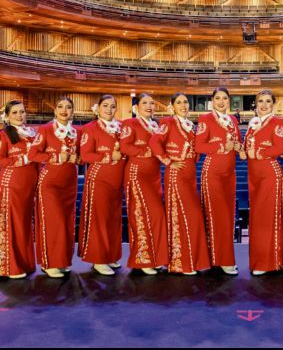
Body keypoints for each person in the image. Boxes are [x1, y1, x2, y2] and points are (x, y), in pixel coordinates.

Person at [149, 93, 211, 275]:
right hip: (176, 174)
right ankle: (181, 263)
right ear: (172, 106)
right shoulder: (168, 122)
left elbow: (197, 150)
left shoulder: (192, 126)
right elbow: (154, 142)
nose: (183, 105)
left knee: (191, 218)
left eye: (185, 102)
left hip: (190, 175)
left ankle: (191, 260)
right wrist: (168, 161)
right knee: (183, 217)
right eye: (179, 102)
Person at [29, 97, 80, 278]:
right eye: (60, 107)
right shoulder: (45, 130)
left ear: (73, 111)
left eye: (68, 107)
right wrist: (57, 157)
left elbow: (81, 156)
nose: (64, 110)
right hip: (50, 181)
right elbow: (33, 153)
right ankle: (49, 262)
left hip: (70, 182)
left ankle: (62, 261)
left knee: (66, 223)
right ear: (55, 111)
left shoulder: (76, 132)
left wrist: (78, 159)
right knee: (53, 222)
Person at [0, 100, 39, 279]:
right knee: (13, 223)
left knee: (25, 225)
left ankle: (25, 263)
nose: (20, 115)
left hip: (29, 185)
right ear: (7, 116)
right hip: (12, 185)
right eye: (15, 112)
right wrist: (22, 160)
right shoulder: (1, 135)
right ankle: (11, 267)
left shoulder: (32, 133)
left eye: (22, 112)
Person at [119, 92, 168, 275]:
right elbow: (125, 146)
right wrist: (148, 150)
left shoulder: (156, 126)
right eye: (145, 102)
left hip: (154, 176)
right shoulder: (130, 123)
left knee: (156, 217)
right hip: (136, 174)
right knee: (140, 216)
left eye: (152, 103)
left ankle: (156, 257)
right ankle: (143, 259)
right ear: (136, 107)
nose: (149, 106)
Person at [196, 87, 243, 275]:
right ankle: (221, 259)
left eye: (225, 98)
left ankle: (222, 257)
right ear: (212, 101)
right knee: (216, 216)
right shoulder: (205, 119)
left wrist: (239, 147)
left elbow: (237, 142)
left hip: (229, 174)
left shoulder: (232, 120)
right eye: (217, 98)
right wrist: (223, 145)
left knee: (228, 215)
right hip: (213, 172)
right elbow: (199, 145)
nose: (221, 101)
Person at [78, 95, 126, 276]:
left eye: (112, 106)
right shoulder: (90, 128)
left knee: (113, 219)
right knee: (99, 219)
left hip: (117, 180)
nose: (109, 109)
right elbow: (85, 155)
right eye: (105, 106)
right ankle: (98, 259)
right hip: (100, 179)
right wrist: (108, 157)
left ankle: (110, 255)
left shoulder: (121, 127)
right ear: (97, 108)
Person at [243, 89, 283, 276]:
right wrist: (243, 151)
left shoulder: (277, 122)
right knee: (258, 219)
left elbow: (280, 147)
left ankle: (269, 262)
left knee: (267, 218)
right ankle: (259, 260)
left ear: (273, 104)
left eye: (267, 101)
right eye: (260, 101)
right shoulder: (253, 124)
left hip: (269, 173)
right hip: (254, 175)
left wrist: (258, 153)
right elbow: (247, 147)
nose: (263, 105)